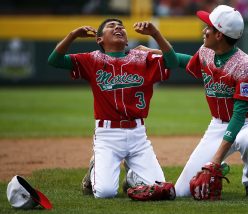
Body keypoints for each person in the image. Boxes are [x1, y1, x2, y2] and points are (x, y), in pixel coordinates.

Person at [140, 4, 248, 198]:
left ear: (219, 35)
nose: (204, 30)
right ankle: (223, 166)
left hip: (247, 123)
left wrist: (215, 160)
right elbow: (179, 61)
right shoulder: (206, 52)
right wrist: (157, 47)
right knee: (183, 191)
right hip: (217, 125)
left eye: (208, 27)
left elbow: (238, 115)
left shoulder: (244, 66)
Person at [48, 18, 178, 198]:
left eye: (121, 27)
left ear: (126, 40)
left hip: (138, 136)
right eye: (111, 26)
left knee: (159, 188)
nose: (118, 28)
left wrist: (155, 34)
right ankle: (95, 167)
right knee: (105, 193)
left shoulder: (143, 58)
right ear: (99, 39)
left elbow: (171, 62)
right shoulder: (91, 59)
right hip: (107, 136)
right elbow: (54, 60)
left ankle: (132, 177)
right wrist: (73, 35)